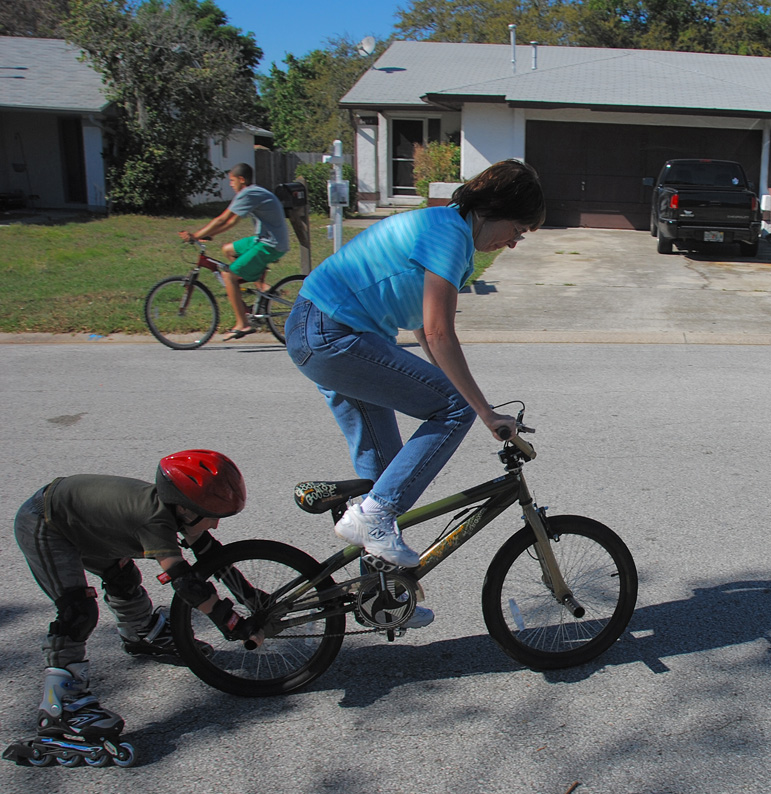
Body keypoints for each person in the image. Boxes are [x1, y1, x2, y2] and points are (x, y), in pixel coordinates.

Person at [285, 159, 544, 627]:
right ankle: (376, 517)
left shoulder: (450, 236)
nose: (514, 241)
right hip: (331, 332)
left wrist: (471, 400)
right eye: (518, 229)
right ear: (494, 209)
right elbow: (439, 332)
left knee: (383, 475)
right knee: (451, 410)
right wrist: (482, 412)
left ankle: (378, 599)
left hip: (324, 331)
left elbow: (425, 335)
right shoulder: (448, 234)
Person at [10, 450, 262, 748]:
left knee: (123, 577)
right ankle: (62, 705)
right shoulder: (154, 521)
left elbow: (212, 556)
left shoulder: (174, 507)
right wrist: (233, 624)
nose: (216, 525)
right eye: (212, 517)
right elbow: (187, 585)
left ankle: (142, 634)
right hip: (46, 524)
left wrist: (252, 597)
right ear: (186, 508)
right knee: (77, 611)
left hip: (82, 521)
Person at [179, 162, 291, 342]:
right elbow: (231, 222)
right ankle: (259, 288)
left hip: (271, 244)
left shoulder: (249, 193)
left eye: (232, 180)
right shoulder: (252, 193)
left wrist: (195, 235)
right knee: (228, 250)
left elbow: (223, 218)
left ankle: (243, 324)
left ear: (241, 179)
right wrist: (208, 235)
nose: (230, 184)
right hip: (262, 240)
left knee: (228, 276)